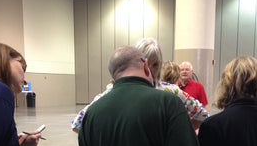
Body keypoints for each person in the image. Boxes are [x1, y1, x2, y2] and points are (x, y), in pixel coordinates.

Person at [71, 38, 208, 132]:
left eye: (155, 64)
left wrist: (177, 132)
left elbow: (202, 114)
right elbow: (78, 123)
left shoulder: (171, 91)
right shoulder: (113, 91)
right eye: (145, 64)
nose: (149, 69)